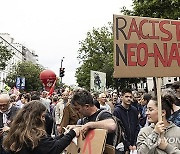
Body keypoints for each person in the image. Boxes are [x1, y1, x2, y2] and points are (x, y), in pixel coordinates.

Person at [3, 100, 80, 154]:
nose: (44, 119)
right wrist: (72, 133)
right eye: (42, 116)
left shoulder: (20, 131)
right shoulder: (34, 134)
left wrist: (64, 135)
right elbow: (54, 148)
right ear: (35, 117)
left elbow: (49, 143)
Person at [113, 88, 140, 153]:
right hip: (122, 145)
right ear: (121, 97)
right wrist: (127, 144)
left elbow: (137, 126)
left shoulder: (134, 110)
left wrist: (134, 143)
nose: (129, 99)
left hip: (134, 144)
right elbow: (119, 130)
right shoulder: (117, 111)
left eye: (130, 97)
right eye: (126, 96)